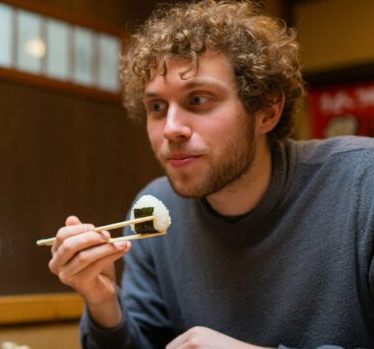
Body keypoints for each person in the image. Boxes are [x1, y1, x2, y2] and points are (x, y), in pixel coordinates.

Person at [47, 1, 374, 348]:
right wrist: (103, 303)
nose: (171, 128)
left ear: (267, 110)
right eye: (156, 107)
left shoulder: (362, 182)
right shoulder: (154, 208)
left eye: (199, 100)